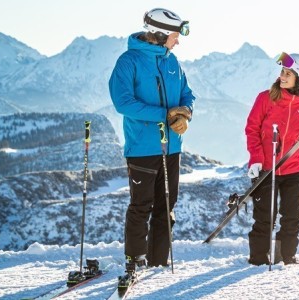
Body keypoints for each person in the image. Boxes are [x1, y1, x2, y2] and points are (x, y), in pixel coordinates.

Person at [108, 8, 195, 271]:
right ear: (158, 34)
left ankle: (158, 262)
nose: (177, 41)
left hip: (173, 148)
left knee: (166, 207)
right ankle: (135, 260)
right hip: (142, 148)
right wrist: (164, 115)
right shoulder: (129, 61)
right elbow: (123, 103)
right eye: (174, 35)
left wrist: (185, 112)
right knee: (141, 206)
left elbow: (187, 94)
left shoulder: (172, 62)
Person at [244, 52, 299, 265]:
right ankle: (258, 260)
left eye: (288, 73)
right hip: (266, 169)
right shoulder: (266, 98)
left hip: (293, 168)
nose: (282, 76)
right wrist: (256, 159)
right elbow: (252, 130)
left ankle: (285, 258)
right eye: (282, 72)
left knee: (291, 218)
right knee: (264, 218)